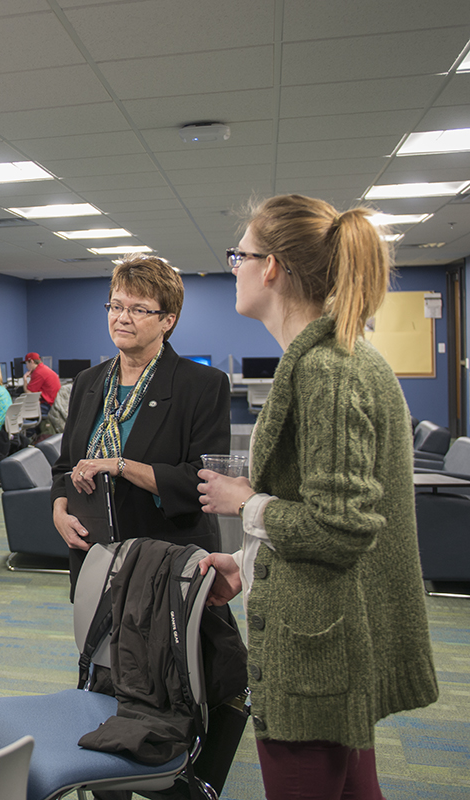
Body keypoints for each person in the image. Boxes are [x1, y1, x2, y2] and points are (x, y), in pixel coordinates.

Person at [196, 194, 439, 800]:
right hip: (330, 634)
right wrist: (250, 565)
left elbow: (341, 529)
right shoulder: (333, 359)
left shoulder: (327, 371)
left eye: (240, 255)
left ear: (271, 267)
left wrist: (244, 502)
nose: (235, 268)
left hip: (317, 653)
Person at [50, 255, 230, 595]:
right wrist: (59, 510)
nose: (122, 318)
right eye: (116, 306)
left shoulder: (203, 385)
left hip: (165, 555)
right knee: (98, 649)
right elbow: (64, 467)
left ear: (168, 320)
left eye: (139, 309)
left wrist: (121, 466)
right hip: (92, 554)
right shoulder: (88, 383)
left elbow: (204, 482)